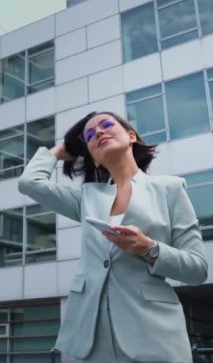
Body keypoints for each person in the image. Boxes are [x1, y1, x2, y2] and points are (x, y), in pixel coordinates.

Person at [18, 111, 208, 363]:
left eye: (106, 125)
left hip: (152, 334)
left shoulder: (169, 189)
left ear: (131, 136)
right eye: (89, 135)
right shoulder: (87, 198)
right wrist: (60, 150)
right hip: (93, 337)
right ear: (93, 159)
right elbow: (29, 183)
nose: (98, 132)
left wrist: (148, 248)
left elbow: (197, 269)